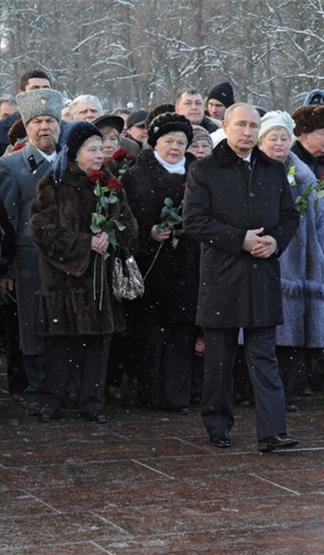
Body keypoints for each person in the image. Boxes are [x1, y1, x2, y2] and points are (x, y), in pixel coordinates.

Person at [182, 103, 300, 452]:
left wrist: (275, 241)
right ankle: (217, 425)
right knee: (219, 359)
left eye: (253, 126)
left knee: (264, 356)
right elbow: (194, 221)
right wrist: (239, 240)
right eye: (241, 125)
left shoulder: (273, 169)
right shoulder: (204, 170)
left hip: (262, 274)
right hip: (222, 276)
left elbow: (290, 217)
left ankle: (272, 431)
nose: (247, 132)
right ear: (226, 126)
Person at [29, 121, 139, 423]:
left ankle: (92, 401)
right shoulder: (54, 184)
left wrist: (111, 236)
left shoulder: (111, 184)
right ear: (74, 152)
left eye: (101, 148)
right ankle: (51, 400)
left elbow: (130, 225)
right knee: (61, 345)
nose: (99, 155)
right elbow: (42, 230)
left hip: (100, 280)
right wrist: (84, 242)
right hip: (64, 280)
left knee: (98, 347)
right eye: (91, 149)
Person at [257, 110, 324, 405]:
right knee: (262, 333)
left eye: (283, 138)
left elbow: (321, 224)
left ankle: (288, 390)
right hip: (263, 261)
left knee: (293, 335)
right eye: (272, 138)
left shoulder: (305, 178)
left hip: (301, 265)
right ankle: (256, 391)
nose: (278, 144)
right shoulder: (252, 172)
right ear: (261, 142)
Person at [123, 113, 199, 414]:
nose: (175, 147)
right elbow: (127, 217)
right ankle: (150, 391)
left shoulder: (196, 172)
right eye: (169, 141)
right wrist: (149, 232)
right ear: (155, 143)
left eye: (181, 142)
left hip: (188, 263)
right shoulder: (136, 175)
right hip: (152, 266)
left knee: (182, 332)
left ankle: (177, 394)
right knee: (152, 333)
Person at [0, 88, 63, 415]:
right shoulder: (11, 166)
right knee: (32, 325)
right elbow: (5, 224)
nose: (44, 127)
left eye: (50, 120)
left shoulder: (72, 163)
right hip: (28, 262)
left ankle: (63, 387)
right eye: (37, 121)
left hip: (68, 261)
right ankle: (37, 389)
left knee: (64, 323)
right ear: (26, 126)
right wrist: (6, 268)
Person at [0, 69, 52, 162]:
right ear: (21, 94)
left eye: (45, 89)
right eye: (35, 89)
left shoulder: (61, 127)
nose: (41, 93)